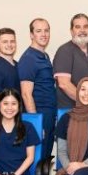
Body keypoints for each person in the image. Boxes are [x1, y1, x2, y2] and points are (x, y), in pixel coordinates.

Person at [0, 89, 40, 175]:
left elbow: (30, 157)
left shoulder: (28, 127)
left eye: (14, 104)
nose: (9, 108)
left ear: (19, 106)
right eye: (5, 103)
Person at [18, 17, 57, 157]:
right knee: (38, 157)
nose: (43, 34)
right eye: (39, 31)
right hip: (39, 113)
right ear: (31, 35)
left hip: (49, 113)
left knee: (46, 156)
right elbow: (26, 94)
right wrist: (36, 123)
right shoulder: (29, 59)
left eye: (46, 30)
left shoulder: (44, 56)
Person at [54, 13, 88, 109]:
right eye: (78, 27)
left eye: (86, 27)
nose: (82, 30)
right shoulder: (64, 51)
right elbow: (64, 84)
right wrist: (87, 102)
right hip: (71, 111)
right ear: (71, 31)